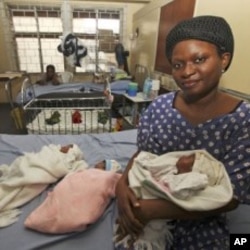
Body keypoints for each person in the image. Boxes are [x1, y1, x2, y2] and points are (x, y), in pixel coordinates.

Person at [115, 15, 250, 249]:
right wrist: (121, 186)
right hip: (149, 203)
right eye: (178, 65)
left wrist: (148, 210)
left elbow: (231, 196)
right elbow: (143, 155)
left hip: (203, 220)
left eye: (199, 59)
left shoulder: (243, 119)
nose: (187, 71)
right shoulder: (159, 107)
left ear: (223, 59)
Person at [114, 150, 233, 249]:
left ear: (193, 172)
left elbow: (176, 190)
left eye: (191, 160)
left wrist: (149, 208)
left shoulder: (186, 181)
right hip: (135, 199)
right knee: (125, 235)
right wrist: (122, 183)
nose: (186, 156)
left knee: (143, 238)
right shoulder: (170, 164)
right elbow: (142, 158)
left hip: (152, 216)